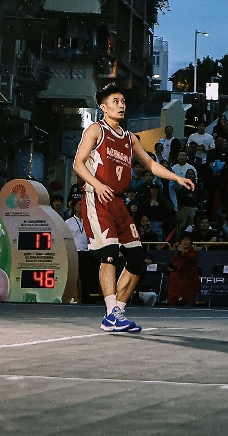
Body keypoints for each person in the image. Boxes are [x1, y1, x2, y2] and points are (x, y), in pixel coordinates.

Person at [74, 84, 195, 333]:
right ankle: (110, 313)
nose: (121, 105)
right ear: (103, 106)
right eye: (115, 101)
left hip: (118, 201)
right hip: (97, 197)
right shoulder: (96, 130)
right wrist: (97, 184)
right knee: (109, 254)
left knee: (138, 260)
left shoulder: (129, 137)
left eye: (123, 101)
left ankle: (117, 313)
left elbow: (149, 163)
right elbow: (78, 163)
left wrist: (176, 177)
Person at [164, 235, 201, 306]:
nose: (185, 242)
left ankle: (180, 298)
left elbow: (191, 259)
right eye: (184, 240)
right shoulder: (176, 255)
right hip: (177, 276)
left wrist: (183, 253)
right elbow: (171, 266)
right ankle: (174, 300)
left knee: (176, 277)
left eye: (187, 240)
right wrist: (170, 269)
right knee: (173, 275)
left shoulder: (194, 253)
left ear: (190, 242)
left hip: (189, 278)